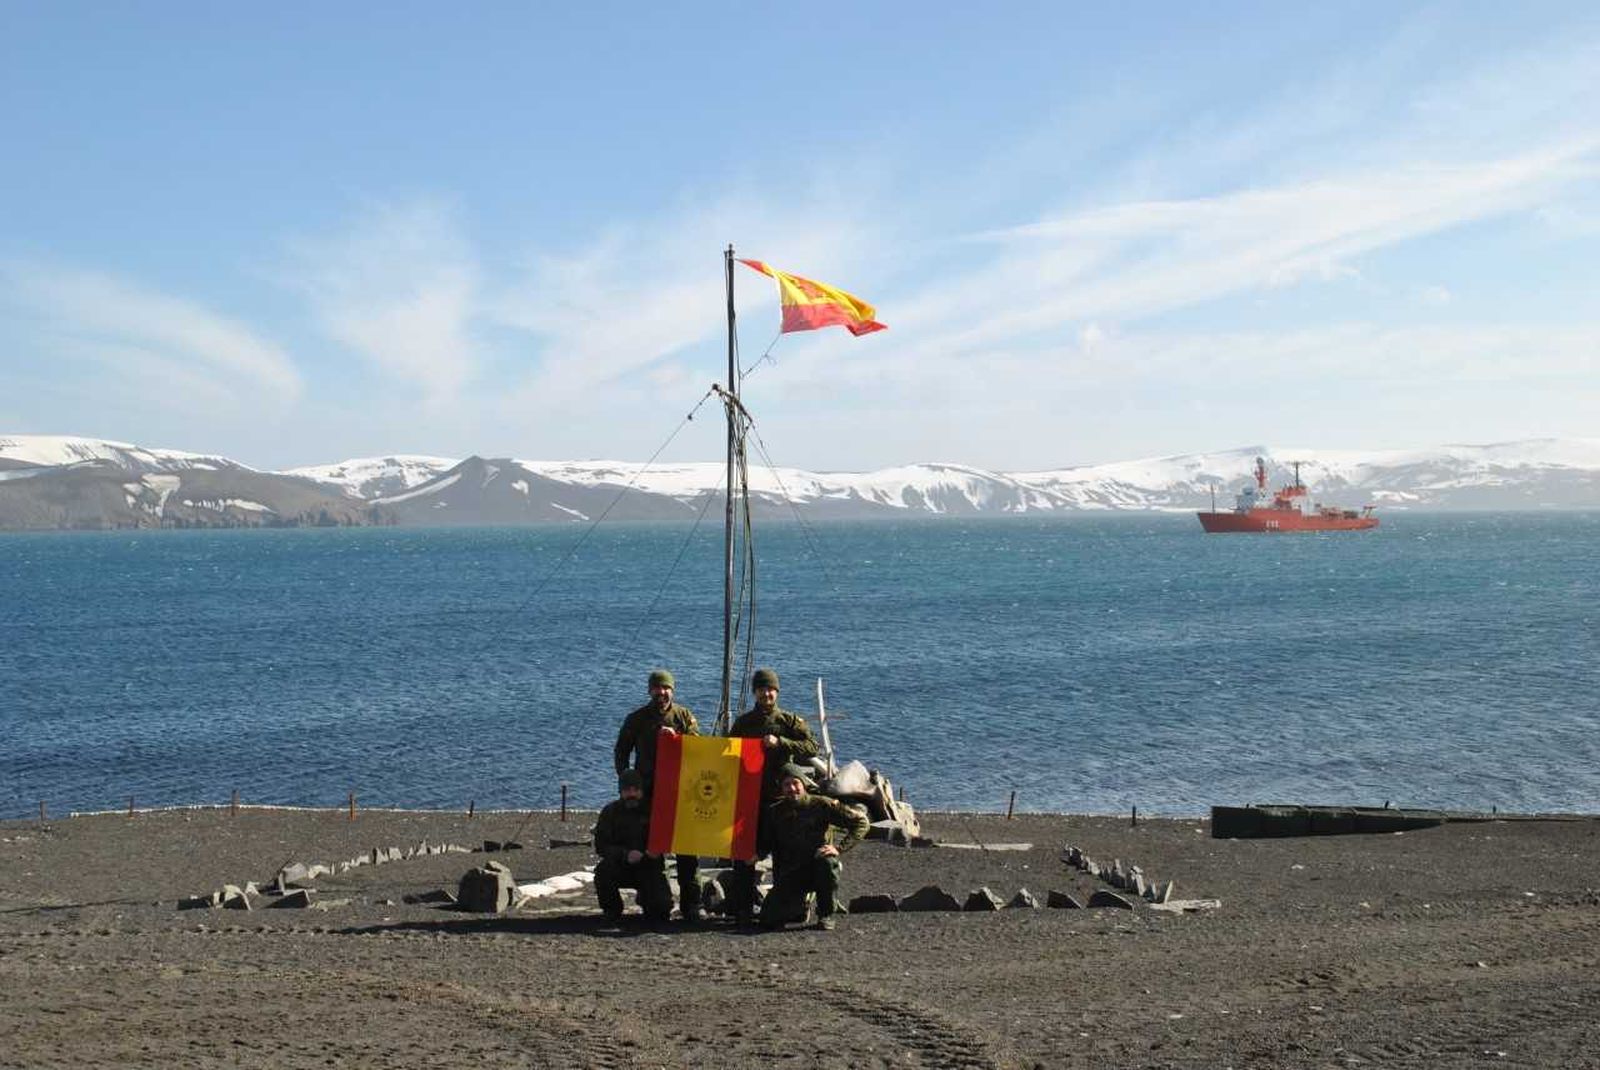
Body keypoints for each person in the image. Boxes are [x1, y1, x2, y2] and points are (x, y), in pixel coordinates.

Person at [726, 667, 820, 924]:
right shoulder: (744, 723)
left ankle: (787, 905)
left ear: (777, 692)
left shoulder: (789, 721)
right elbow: (726, 751)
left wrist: (782, 743)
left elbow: (813, 746)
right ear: (755, 692)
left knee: (784, 855)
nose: (766, 694)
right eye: (761, 689)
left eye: (771, 689)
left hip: (781, 799)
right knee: (745, 854)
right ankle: (742, 908)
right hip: (750, 799)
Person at [613, 668, 703, 923]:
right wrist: (627, 780)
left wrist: (679, 737)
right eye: (657, 688)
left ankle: (691, 903)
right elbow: (621, 750)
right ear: (649, 690)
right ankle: (652, 896)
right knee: (652, 847)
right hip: (649, 793)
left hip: (681, 791)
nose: (661, 693)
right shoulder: (637, 718)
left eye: (666, 688)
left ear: (672, 691)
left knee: (687, 850)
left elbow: (700, 747)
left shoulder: (683, 716)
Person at [758, 763, 869, 931]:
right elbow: (768, 842)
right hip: (791, 872)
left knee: (827, 863)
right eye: (786, 785)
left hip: (819, 868)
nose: (792, 788)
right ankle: (801, 905)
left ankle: (826, 914)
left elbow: (861, 823)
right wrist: (755, 855)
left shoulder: (821, 805)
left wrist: (839, 848)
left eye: (795, 783)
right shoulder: (775, 812)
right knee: (768, 919)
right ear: (781, 788)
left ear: (803, 784)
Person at [592, 769, 672, 923]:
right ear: (620, 792)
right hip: (620, 865)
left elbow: (666, 837)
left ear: (642, 791)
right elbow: (601, 846)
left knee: (661, 911)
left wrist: (656, 850)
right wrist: (624, 854)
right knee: (603, 872)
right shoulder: (610, 812)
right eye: (627, 790)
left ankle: (646, 898)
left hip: (649, 865)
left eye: (636, 790)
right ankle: (612, 909)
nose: (632, 794)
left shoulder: (654, 811)